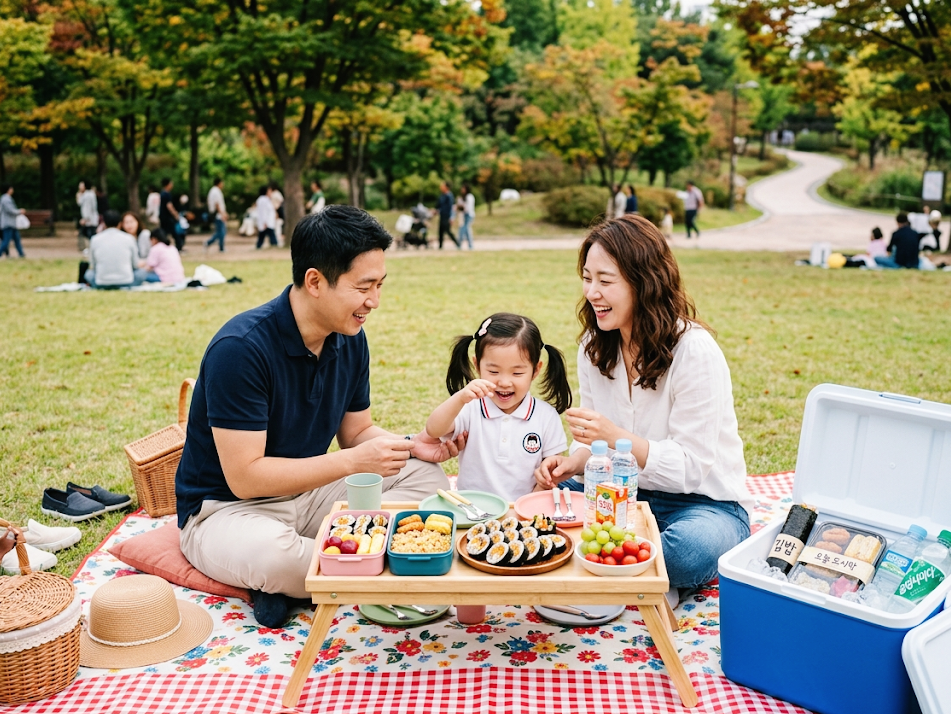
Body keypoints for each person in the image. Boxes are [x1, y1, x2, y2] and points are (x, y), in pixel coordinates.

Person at [175, 205, 463, 627]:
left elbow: (357, 431)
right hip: (226, 510)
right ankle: (297, 573)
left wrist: (408, 445)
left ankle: (320, 569)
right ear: (315, 281)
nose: (375, 302)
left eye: (380, 285)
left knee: (427, 479)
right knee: (275, 557)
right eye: (364, 286)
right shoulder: (240, 349)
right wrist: (351, 463)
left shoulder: (350, 338)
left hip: (308, 492)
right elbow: (246, 477)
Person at [534, 214, 751, 608]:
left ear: (643, 281)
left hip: (704, 503)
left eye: (605, 280)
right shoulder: (594, 345)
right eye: (587, 278)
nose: (592, 293)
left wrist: (613, 436)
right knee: (536, 510)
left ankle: (617, 566)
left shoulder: (694, 352)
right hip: (616, 493)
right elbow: (595, 443)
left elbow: (690, 467)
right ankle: (632, 568)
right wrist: (573, 462)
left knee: (686, 552)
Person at [425, 313, 571, 503]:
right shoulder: (469, 407)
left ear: (535, 370)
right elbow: (434, 429)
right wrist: (460, 397)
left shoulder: (546, 417)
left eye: (517, 373)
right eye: (493, 371)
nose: (504, 382)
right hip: (472, 507)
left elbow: (549, 474)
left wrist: (524, 510)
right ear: (477, 365)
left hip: (523, 509)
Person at [85, 210, 146, 288]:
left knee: (89, 274)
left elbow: (93, 264)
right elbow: (135, 264)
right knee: (142, 272)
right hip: (126, 281)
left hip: (101, 282)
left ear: (104, 224)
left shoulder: (95, 239)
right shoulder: (129, 238)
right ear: (120, 224)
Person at [0, 184, 26, 259]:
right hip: (8, 223)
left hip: (12, 223)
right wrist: (19, 211)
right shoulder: (5, 199)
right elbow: (10, 210)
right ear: (8, 189)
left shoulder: (7, 198)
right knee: (6, 241)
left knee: (17, 239)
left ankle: (21, 254)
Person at [159, 178, 183, 251]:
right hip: (167, 217)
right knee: (173, 232)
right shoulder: (166, 194)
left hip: (163, 216)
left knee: (165, 232)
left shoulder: (162, 193)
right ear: (168, 184)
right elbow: (169, 206)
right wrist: (175, 214)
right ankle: (179, 246)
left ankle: (163, 245)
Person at [205, 177, 228, 253]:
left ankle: (218, 246)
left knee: (220, 231)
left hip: (216, 214)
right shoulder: (216, 191)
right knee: (221, 232)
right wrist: (222, 214)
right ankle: (210, 243)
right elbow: (217, 204)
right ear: (219, 183)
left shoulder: (212, 191)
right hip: (218, 214)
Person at [255, 185, 278, 249]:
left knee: (262, 235)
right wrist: (264, 222)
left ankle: (259, 246)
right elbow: (263, 212)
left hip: (269, 221)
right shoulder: (263, 200)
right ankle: (274, 244)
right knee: (270, 234)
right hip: (266, 222)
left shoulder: (267, 200)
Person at [78, 181, 99, 249]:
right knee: (89, 233)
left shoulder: (88, 195)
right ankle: (91, 247)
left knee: (90, 234)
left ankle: (91, 248)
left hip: (90, 219)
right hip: (90, 218)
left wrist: (86, 218)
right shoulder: (89, 194)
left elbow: (89, 207)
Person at [436, 181, 457, 249]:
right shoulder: (442, 195)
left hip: (447, 216)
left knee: (447, 231)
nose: (441, 187)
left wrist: (452, 217)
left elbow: (451, 207)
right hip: (442, 215)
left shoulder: (449, 196)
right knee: (440, 231)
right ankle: (440, 246)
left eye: (443, 186)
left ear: (447, 187)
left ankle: (457, 243)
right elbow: (438, 205)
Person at [457, 183, 476, 250]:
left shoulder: (469, 197)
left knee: (464, 229)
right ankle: (470, 245)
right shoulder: (462, 197)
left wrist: (461, 206)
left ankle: (459, 243)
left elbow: (467, 208)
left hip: (469, 215)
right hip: (464, 215)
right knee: (467, 230)